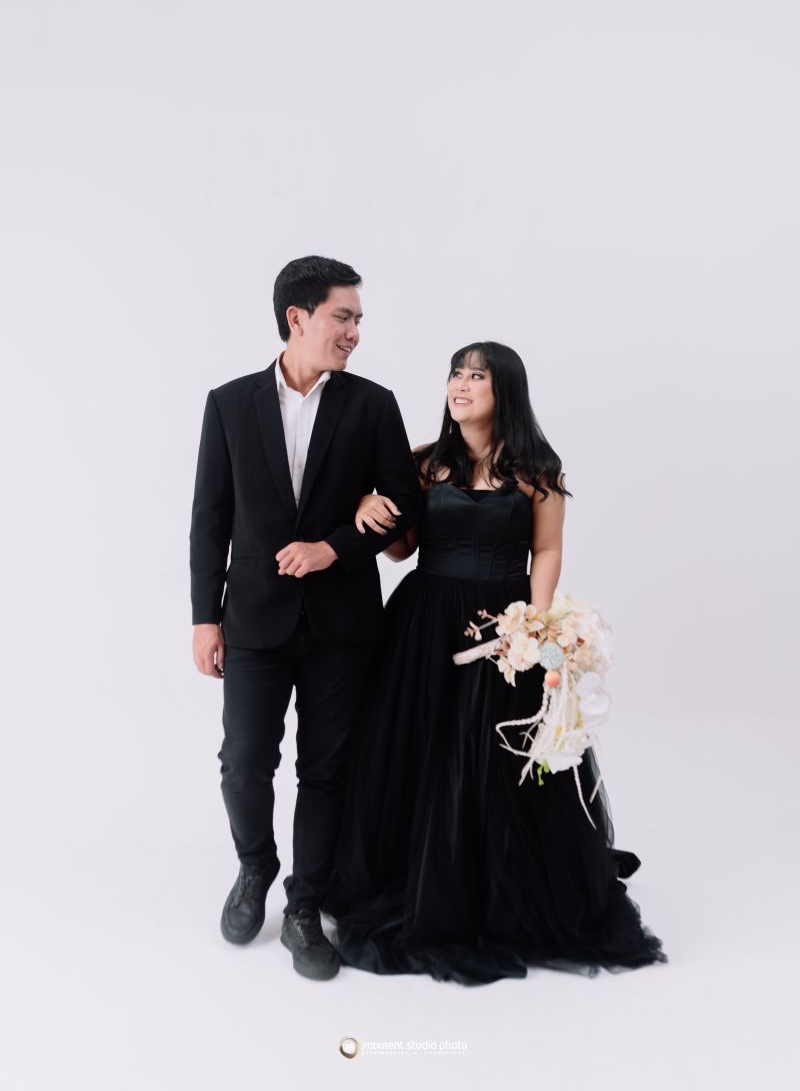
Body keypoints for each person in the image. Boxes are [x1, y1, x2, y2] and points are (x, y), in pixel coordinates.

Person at [324, 340, 668, 984]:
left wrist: (533, 626)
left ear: (503, 389)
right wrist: (365, 504)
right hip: (427, 623)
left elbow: (547, 550)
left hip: (506, 628)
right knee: (421, 751)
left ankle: (499, 890)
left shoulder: (537, 468)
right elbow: (400, 550)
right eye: (455, 374)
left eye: (476, 376)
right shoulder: (425, 463)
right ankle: (421, 877)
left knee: (496, 758)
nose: (460, 384)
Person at [189, 255, 422, 980]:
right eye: (342, 317)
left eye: (358, 319)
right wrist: (204, 618)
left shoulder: (373, 405)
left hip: (344, 627)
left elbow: (404, 506)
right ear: (298, 317)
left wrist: (335, 548)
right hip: (253, 622)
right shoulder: (229, 404)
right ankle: (255, 866)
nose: (354, 331)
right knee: (243, 763)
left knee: (327, 770)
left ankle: (304, 904)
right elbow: (209, 520)